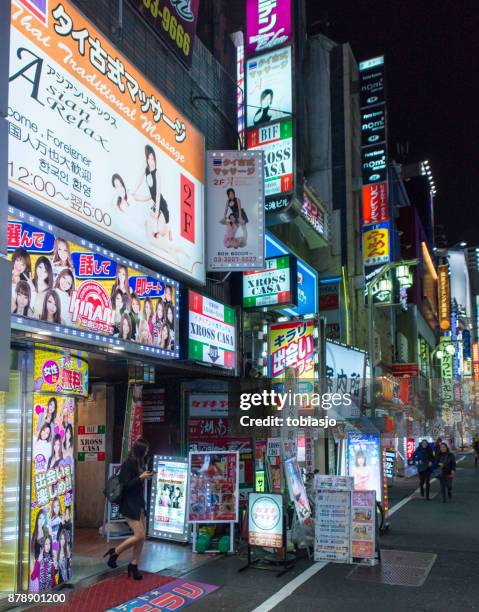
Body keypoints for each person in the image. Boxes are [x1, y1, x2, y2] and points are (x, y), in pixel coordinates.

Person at [104, 438, 153, 579]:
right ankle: (115, 552)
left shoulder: (140, 462)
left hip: (138, 503)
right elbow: (125, 486)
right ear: (140, 451)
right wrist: (141, 477)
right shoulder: (128, 464)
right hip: (129, 504)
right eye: (146, 450)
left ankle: (134, 565)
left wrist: (144, 476)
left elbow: (136, 483)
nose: (147, 452)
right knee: (140, 535)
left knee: (141, 538)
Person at [132, 145, 172, 240]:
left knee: (158, 232)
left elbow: (157, 195)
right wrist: (134, 191)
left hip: (161, 205)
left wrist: (157, 212)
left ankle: (168, 229)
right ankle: (158, 221)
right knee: (154, 231)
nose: (151, 161)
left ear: (155, 159)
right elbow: (139, 180)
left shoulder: (157, 174)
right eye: (149, 159)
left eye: (153, 159)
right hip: (154, 203)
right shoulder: (146, 169)